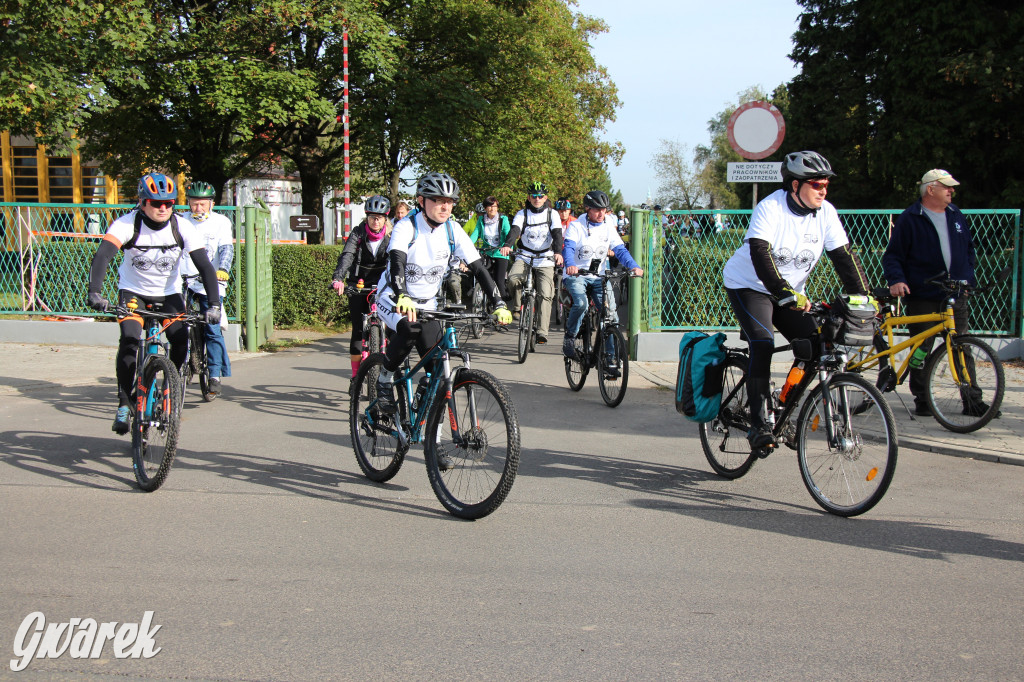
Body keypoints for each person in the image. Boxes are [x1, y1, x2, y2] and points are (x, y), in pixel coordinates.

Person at [722, 151, 871, 450]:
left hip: (790, 294)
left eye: (826, 185)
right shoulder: (771, 207)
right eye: (816, 184)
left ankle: (782, 405)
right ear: (795, 185)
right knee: (763, 343)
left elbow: (844, 257)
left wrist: (864, 297)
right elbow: (760, 253)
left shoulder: (826, 212)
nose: (823, 190)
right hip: (749, 285)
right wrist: (782, 291)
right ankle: (758, 425)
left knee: (815, 346)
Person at [87, 172, 222, 434]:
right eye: (156, 203)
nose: (163, 208)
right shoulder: (126, 224)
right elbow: (102, 256)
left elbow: (205, 267)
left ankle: (170, 384)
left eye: (168, 203)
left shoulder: (182, 227)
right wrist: (95, 293)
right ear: (142, 202)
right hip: (133, 293)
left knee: (180, 338)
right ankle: (124, 402)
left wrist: (214, 305)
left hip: (168, 294)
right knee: (129, 339)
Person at [373, 172, 512, 414]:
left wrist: (498, 302)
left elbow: (479, 269)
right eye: (437, 200)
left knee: (437, 369)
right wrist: (402, 294)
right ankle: (384, 379)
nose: (445, 206)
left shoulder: (452, 230)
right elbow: (397, 261)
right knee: (410, 328)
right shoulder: (407, 226)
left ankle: (424, 413)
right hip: (393, 297)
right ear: (421, 201)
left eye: (449, 201)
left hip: (427, 303)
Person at [882, 168, 988, 416]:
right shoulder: (911, 217)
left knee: (961, 345)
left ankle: (972, 400)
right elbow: (893, 255)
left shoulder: (955, 214)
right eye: (946, 186)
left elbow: (969, 250)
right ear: (930, 190)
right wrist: (897, 280)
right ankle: (923, 398)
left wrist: (968, 279)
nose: (951, 191)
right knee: (922, 348)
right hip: (923, 294)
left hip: (955, 293)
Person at [562, 189, 643, 371]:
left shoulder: (608, 226)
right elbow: (569, 248)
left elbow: (620, 250)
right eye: (597, 210)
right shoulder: (576, 226)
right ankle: (570, 337)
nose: (601, 214)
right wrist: (570, 264)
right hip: (577, 275)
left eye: (604, 210)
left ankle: (610, 358)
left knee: (610, 316)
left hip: (599, 276)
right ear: (587, 209)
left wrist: (633, 266)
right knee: (581, 304)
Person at [179, 180, 233, 396]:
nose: (198, 208)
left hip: (209, 281)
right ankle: (179, 365)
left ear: (212, 204)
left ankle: (214, 374)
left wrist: (223, 269)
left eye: (202, 204)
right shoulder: (180, 220)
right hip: (183, 280)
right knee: (177, 323)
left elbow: (226, 249)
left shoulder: (221, 222)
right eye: (194, 203)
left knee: (212, 328)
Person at [332, 194, 392, 380]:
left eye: (379, 217)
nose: (376, 221)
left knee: (392, 329)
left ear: (385, 218)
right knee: (358, 331)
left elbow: (399, 260)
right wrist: (338, 278)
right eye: (372, 217)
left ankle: (389, 372)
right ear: (367, 217)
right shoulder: (358, 233)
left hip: (383, 286)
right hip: (358, 284)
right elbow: (347, 255)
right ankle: (356, 376)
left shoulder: (392, 236)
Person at [502, 182, 563, 345]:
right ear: (529, 197)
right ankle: (517, 307)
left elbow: (557, 234)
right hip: (525, 256)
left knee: (546, 294)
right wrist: (507, 245)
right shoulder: (522, 213)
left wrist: (558, 252)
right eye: (534, 196)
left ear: (545, 198)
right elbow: (515, 230)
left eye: (540, 196)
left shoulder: (552, 214)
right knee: (513, 279)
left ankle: (542, 332)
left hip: (545, 258)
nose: (537, 199)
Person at [467, 196, 512, 300]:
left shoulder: (503, 219)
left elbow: (508, 234)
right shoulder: (481, 220)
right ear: (485, 208)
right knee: (483, 276)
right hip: (487, 252)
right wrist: (467, 245)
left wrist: (508, 247)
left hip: (501, 253)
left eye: (495, 206)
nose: (492, 209)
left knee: (499, 281)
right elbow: (476, 233)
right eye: (489, 206)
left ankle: (502, 304)